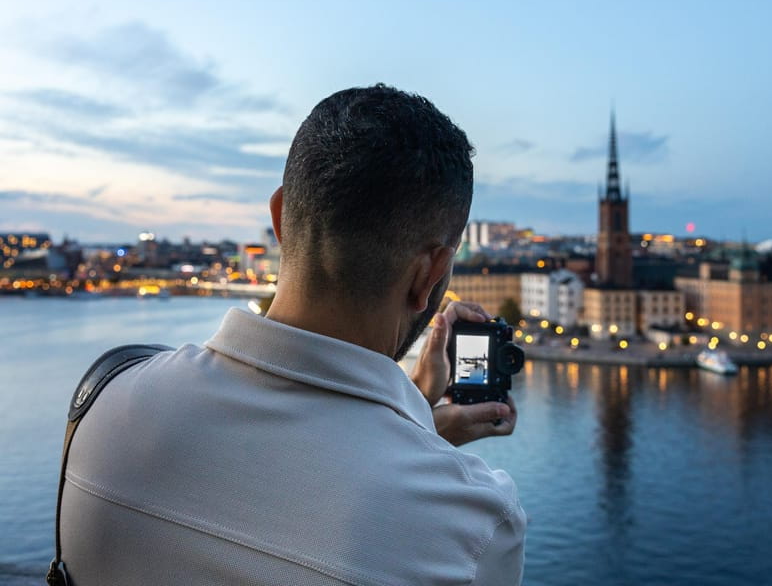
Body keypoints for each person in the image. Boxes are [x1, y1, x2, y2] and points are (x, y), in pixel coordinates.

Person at [60, 84, 526, 585]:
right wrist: (415, 428)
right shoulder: (473, 525)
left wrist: (415, 417)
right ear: (429, 273)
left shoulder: (104, 401)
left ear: (280, 219)